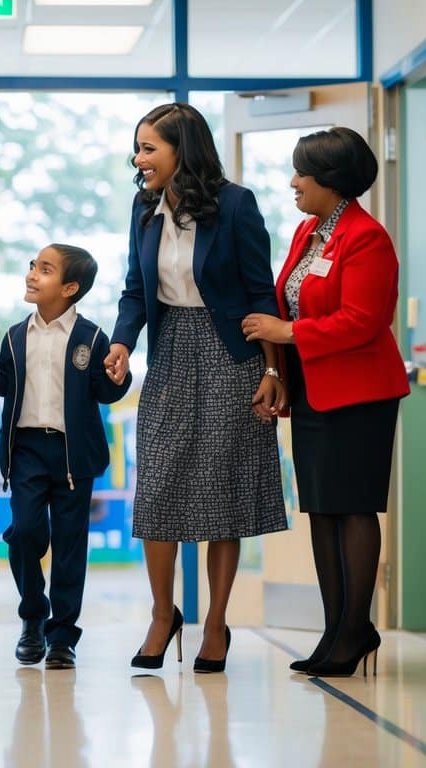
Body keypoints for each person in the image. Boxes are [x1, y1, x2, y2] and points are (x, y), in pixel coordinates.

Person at [102, 102, 286, 673]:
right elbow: (136, 287)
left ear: (184, 149)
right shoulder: (143, 206)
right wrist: (120, 343)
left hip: (231, 352)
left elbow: (262, 293)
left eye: (149, 147)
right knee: (157, 486)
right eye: (138, 147)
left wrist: (273, 371)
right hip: (172, 349)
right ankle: (164, 615)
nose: (139, 158)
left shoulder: (235, 204)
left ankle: (215, 623)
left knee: (222, 489)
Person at [241, 126, 409, 678]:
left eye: (301, 173)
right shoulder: (308, 233)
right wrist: (278, 369)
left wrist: (287, 334)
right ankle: (338, 629)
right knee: (321, 510)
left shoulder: (367, 237)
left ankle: (353, 632)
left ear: (331, 181)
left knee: (353, 508)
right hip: (314, 389)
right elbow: (287, 296)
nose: (293, 182)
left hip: (360, 393)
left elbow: (365, 321)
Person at [0, 244, 131, 670]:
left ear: (70, 288)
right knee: (24, 533)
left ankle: (62, 636)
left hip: (73, 454)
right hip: (25, 450)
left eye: (44, 269)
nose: (31, 274)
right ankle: (32, 616)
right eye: (32, 266)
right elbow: (3, 383)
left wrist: (121, 375)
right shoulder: (18, 334)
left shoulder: (92, 338)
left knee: (69, 546)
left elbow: (107, 390)